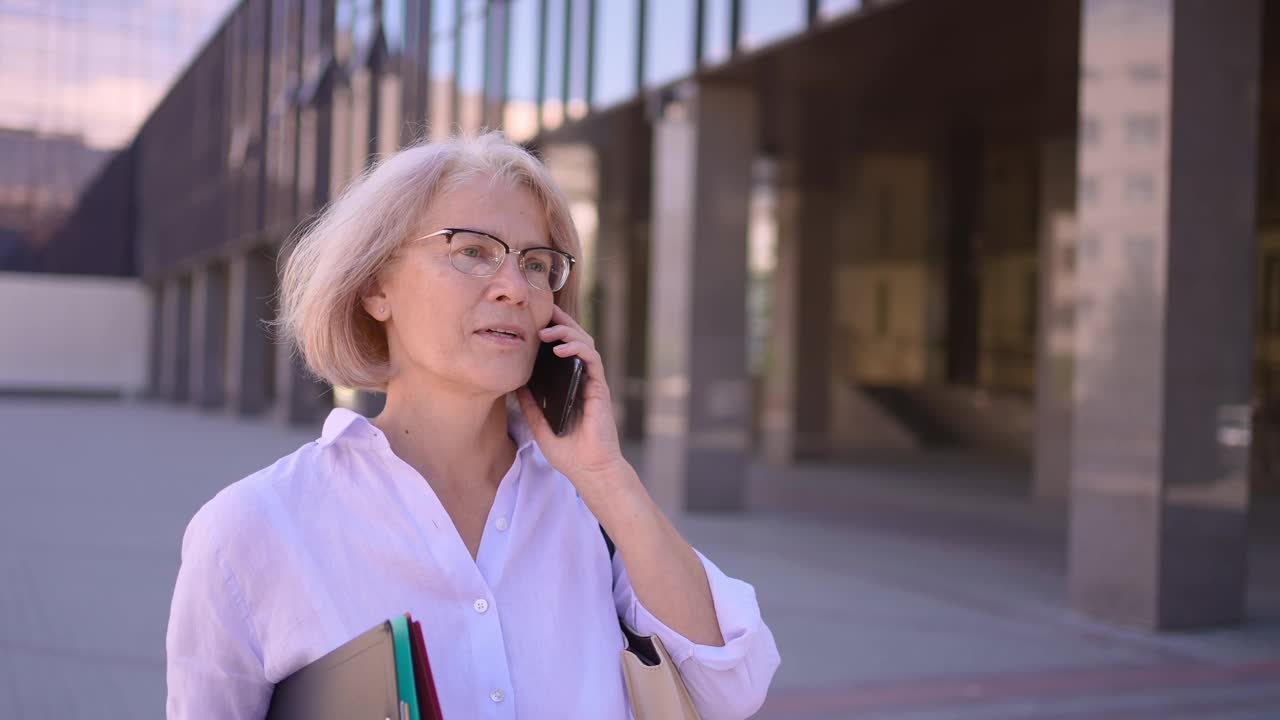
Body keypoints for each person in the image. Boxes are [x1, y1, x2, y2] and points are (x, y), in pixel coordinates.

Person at [165, 132, 780, 719]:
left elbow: (734, 686)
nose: (514, 286)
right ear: (376, 286)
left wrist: (606, 476)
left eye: (538, 265)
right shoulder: (253, 527)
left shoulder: (589, 511)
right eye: (472, 252)